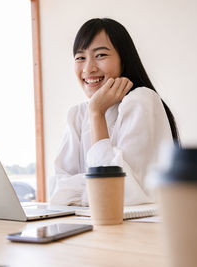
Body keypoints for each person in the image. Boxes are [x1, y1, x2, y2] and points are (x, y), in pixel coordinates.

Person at [49, 18, 179, 206]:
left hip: (135, 232)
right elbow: (56, 195)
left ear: (123, 59)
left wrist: (97, 113)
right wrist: (91, 190)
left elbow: (118, 197)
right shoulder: (77, 114)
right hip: (89, 228)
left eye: (100, 55)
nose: (88, 68)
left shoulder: (141, 100)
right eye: (80, 58)